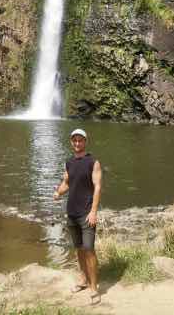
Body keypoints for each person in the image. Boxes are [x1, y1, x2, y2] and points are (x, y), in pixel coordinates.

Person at [53, 128, 102, 305]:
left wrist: (94, 211)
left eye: (80, 140)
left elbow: (97, 186)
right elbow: (67, 182)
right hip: (71, 213)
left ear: (85, 142)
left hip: (86, 214)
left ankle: (94, 288)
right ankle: (83, 280)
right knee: (79, 249)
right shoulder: (69, 162)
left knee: (89, 249)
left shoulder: (93, 162)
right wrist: (58, 192)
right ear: (71, 142)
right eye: (74, 140)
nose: (77, 143)